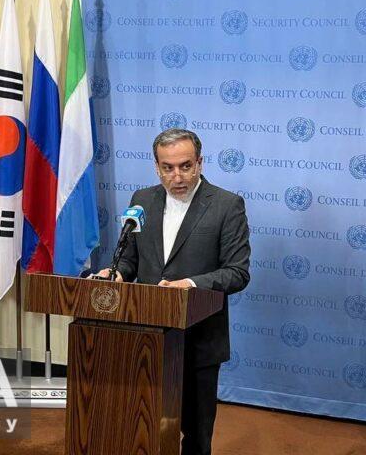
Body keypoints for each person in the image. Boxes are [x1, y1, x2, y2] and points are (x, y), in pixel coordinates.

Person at [95, 128, 250, 455]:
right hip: (147, 339)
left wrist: (191, 284)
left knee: (195, 435)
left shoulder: (226, 205)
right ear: (156, 167)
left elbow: (237, 273)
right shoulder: (142, 200)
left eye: (185, 166)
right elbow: (130, 259)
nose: (177, 175)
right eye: (168, 167)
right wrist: (118, 273)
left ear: (200, 163)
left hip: (199, 338)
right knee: (145, 424)